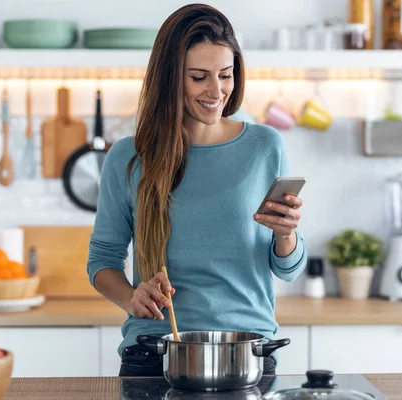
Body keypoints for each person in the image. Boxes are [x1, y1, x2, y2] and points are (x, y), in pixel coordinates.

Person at [87, 3, 308, 377]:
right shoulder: (129, 157)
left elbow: (287, 269)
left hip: (246, 350)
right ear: (170, 78)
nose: (216, 90)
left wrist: (287, 235)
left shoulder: (265, 147)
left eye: (225, 74)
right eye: (198, 77)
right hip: (156, 351)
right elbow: (102, 260)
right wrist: (131, 296)